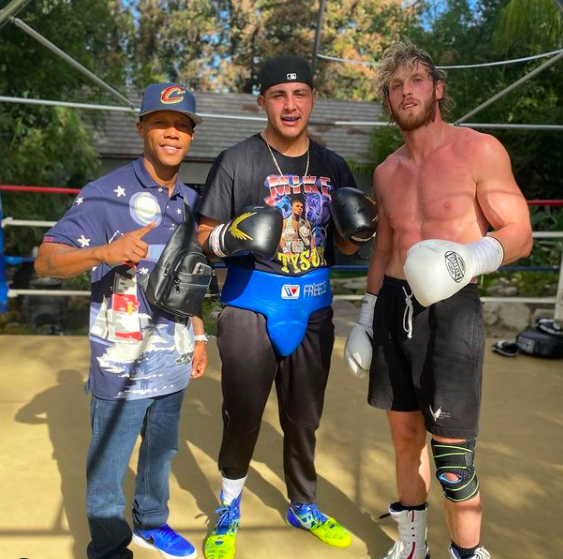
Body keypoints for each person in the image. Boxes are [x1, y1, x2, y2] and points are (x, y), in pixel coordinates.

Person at [344, 42, 533, 559]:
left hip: (452, 310)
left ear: (438, 88)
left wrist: (469, 259)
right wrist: (364, 317)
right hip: (393, 308)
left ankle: (468, 553)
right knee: (405, 436)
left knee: (453, 457)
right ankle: (413, 546)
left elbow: (519, 234)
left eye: (417, 80)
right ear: (388, 100)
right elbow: (384, 247)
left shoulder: (479, 150)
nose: (407, 92)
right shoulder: (386, 172)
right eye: (396, 86)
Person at [196, 54, 377, 559]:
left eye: (299, 95)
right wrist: (231, 236)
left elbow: (345, 247)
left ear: (312, 100)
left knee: (303, 417)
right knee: (243, 414)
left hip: (314, 310)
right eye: (278, 95)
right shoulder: (238, 161)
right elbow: (204, 233)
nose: (290, 105)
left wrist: (357, 232)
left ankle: (303, 503)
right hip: (251, 306)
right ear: (264, 102)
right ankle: (229, 505)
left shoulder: (333, 165)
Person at [35, 83, 209, 559]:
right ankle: (110, 548)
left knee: (162, 452)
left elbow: (190, 276)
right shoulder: (103, 195)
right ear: (141, 128)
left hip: (172, 356)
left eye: (181, 126)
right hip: (120, 360)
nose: (172, 133)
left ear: (191, 136)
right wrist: (104, 252)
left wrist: (198, 335)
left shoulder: (194, 203)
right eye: (161, 123)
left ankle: (152, 524)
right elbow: (45, 261)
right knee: (109, 463)